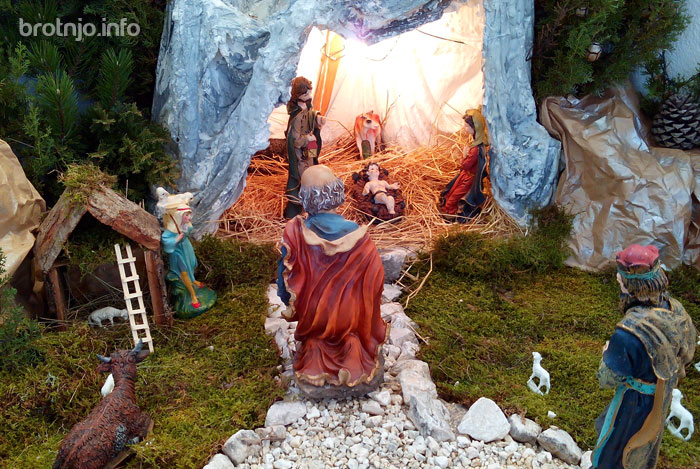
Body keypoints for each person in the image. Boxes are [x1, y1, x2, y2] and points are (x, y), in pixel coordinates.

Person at [277, 165, 388, 398]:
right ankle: (352, 347)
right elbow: (376, 283)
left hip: (315, 320)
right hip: (352, 321)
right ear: (338, 193)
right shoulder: (361, 239)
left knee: (315, 341)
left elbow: (285, 285)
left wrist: (291, 303)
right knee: (351, 340)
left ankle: (316, 352)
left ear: (305, 199)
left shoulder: (295, 234)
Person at [592, 244, 696, 469]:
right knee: (646, 448)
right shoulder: (676, 309)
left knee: (617, 449)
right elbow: (687, 350)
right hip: (662, 395)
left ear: (631, 287)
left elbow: (607, 379)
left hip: (634, 403)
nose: (618, 281)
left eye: (621, 280)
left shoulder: (628, 332)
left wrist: (606, 353)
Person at [158, 190, 216, 318]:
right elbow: (166, 241)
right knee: (183, 272)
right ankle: (193, 295)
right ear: (179, 216)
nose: (189, 217)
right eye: (186, 215)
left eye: (189, 214)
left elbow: (188, 230)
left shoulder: (184, 225)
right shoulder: (172, 228)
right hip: (178, 253)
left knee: (191, 265)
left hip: (186, 248)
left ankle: (193, 280)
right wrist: (177, 239)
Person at [284, 76, 327, 219]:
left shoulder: (308, 107)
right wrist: (307, 139)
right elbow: (295, 140)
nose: (309, 95)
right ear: (298, 96)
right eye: (305, 93)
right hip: (301, 155)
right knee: (304, 178)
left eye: (309, 91)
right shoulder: (296, 117)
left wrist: (318, 119)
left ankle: (311, 206)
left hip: (310, 149)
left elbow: (311, 117)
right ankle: (299, 208)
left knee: (313, 172)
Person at [439, 108, 489, 221]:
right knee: (452, 192)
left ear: (475, 128)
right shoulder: (474, 143)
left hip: (469, 179)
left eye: (466, 126)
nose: (464, 128)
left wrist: (464, 155)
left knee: (456, 195)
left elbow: (466, 165)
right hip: (465, 175)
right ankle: (447, 209)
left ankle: (450, 213)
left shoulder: (475, 149)